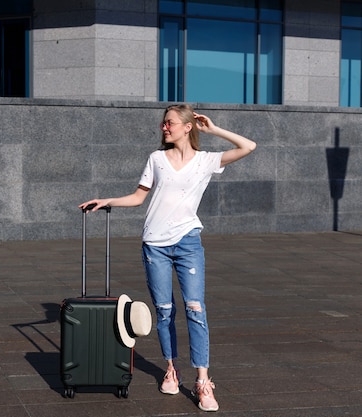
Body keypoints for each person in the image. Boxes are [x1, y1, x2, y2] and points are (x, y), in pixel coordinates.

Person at [79, 104, 256, 412]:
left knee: (195, 310)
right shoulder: (156, 159)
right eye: (163, 123)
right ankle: (171, 370)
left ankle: (203, 381)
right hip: (154, 245)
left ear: (188, 127)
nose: (164, 127)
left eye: (170, 123)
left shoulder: (205, 161)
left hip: (188, 243)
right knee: (164, 312)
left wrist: (212, 130)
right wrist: (108, 200)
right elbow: (138, 197)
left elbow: (248, 146)